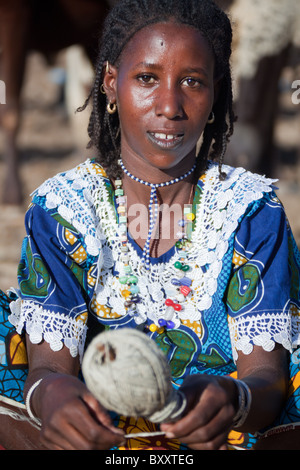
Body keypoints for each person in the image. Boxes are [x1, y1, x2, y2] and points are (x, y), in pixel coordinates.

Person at [0, 0, 300, 451]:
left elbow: (267, 377)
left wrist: (232, 399)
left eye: (192, 83)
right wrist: (54, 398)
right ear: (109, 83)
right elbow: (49, 367)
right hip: (95, 427)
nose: (169, 105)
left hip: (216, 434)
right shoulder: (65, 207)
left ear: (216, 93)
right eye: (146, 78)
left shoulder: (250, 209)